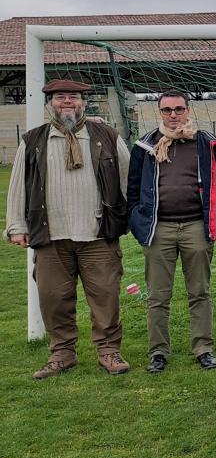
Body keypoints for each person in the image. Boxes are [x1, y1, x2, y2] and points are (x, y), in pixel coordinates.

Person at [5, 80, 131, 379]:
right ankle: (62, 354)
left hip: (98, 234)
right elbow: (18, 186)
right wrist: (16, 225)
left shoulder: (107, 136)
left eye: (73, 97)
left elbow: (129, 181)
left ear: (83, 102)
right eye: (60, 97)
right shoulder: (33, 140)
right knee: (53, 298)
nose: (67, 102)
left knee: (106, 297)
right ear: (50, 103)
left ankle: (109, 351)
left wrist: (134, 219)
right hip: (50, 236)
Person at [128, 90, 216, 373]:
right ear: (159, 112)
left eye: (178, 109)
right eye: (167, 110)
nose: (173, 115)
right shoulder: (145, 145)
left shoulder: (206, 142)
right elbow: (133, 189)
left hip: (195, 227)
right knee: (158, 296)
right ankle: (158, 352)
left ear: (188, 110)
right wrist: (139, 224)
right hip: (158, 230)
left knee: (199, 292)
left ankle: (203, 348)